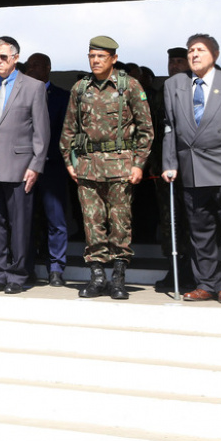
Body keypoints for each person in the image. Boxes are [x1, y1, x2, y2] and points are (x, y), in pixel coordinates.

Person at [60, 36, 153, 300]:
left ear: (113, 58)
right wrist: (69, 161)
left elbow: (146, 129)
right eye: (91, 56)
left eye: (101, 56)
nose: (95, 61)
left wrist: (138, 164)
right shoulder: (80, 88)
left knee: (120, 224)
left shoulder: (130, 86)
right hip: (88, 168)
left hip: (120, 167)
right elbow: (69, 128)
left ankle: (118, 278)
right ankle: (97, 277)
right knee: (92, 224)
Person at [162, 34, 221, 304]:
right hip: (192, 167)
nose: (194, 54)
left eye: (200, 50)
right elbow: (169, 127)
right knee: (200, 230)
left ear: (215, 54)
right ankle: (205, 283)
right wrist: (169, 163)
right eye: (190, 50)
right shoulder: (174, 84)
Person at [0, 36, 49, 295]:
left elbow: (41, 131)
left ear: (15, 58)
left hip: (20, 166)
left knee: (20, 225)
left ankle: (17, 275)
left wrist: (36, 165)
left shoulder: (34, 87)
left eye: (3, 56)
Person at [24, 52, 70, 287]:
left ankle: (55, 268)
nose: (31, 69)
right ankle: (27, 266)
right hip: (24, 169)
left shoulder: (62, 97)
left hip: (52, 167)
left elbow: (67, 133)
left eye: (36, 65)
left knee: (56, 220)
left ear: (48, 68)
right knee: (26, 221)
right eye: (28, 65)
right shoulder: (19, 95)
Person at [153, 47, 195, 291]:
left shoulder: (194, 91)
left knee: (192, 221)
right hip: (164, 170)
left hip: (190, 167)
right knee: (170, 222)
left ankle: (192, 271)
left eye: (180, 62)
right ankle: (174, 270)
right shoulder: (161, 93)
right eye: (172, 62)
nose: (175, 66)